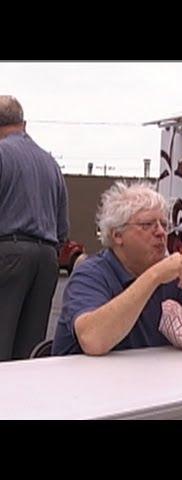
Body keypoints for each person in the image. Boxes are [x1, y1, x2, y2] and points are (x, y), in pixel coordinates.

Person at [52, 181, 182, 356]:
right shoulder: (91, 274)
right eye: (147, 225)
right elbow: (92, 340)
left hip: (149, 385)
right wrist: (155, 275)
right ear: (117, 235)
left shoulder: (174, 276)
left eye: (164, 224)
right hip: (83, 387)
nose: (161, 232)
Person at [0, 95, 69, 361]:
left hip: (9, 252)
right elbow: (63, 226)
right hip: (47, 259)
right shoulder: (50, 163)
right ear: (24, 123)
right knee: (30, 348)